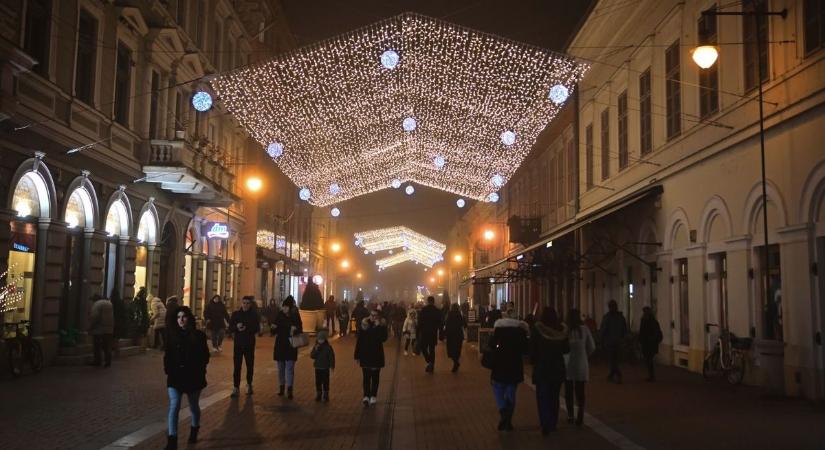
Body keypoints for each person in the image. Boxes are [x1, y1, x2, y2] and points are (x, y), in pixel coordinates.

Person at [163, 306, 210, 450]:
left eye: (183, 317)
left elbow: (205, 357)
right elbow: (168, 356)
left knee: (193, 406)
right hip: (175, 377)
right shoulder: (171, 336)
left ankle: (194, 428)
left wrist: (198, 369)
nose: (181, 320)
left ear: (189, 318)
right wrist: (168, 370)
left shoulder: (199, 336)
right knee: (174, 405)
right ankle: (172, 441)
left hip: (193, 377)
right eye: (178, 317)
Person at [529, 307, 569, 435]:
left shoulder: (537, 329)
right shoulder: (561, 330)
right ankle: (552, 423)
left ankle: (545, 422)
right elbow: (566, 349)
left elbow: (532, 349)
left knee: (542, 397)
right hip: (557, 367)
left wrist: (533, 360)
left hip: (542, 367)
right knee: (554, 397)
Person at [487, 312, 529, 431]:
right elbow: (525, 350)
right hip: (514, 367)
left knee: (498, 389)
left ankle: (503, 412)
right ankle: (508, 420)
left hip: (499, 366)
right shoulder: (520, 332)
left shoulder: (498, 331)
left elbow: (490, 345)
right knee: (511, 392)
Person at [564, 308, 595, 427]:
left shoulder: (566, 331)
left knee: (568, 391)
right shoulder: (585, 329)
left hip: (567, 364)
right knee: (580, 391)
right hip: (581, 363)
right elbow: (592, 347)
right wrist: (584, 355)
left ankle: (570, 415)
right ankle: (580, 416)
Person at [354, 307, 388, 406]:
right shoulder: (365, 325)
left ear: (378, 317)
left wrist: (378, 327)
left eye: (375, 316)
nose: (373, 317)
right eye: (371, 315)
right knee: (366, 377)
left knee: (375, 377)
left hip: (376, 354)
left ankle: (373, 395)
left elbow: (383, 338)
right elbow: (359, 341)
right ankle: (366, 396)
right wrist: (357, 355)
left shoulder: (381, 325)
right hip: (366, 354)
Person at [228, 295, 260, 397]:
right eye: (244, 303)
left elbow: (257, 328)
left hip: (249, 343)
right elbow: (230, 328)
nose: (245, 305)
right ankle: (236, 387)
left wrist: (247, 328)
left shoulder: (254, 315)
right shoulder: (236, 314)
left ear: (250, 304)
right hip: (238, 344)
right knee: (237, 366)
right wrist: (237, 327)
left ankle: (249, 384)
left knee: (250, 365)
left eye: (247, 303)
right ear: (241, 303)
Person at [272, 296, 302, 399]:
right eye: (283, 306)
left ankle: (289, 389)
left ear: (289, 307)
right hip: (280, 344)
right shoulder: (279, 315)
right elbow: (274, 329)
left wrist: (295, 330)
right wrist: (273, 328)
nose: (283, 308)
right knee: (280, 368)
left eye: (285, 307)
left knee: (289, 368)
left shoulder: (295, 316)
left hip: (290, 345)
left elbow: (300, 329)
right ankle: (281, 387)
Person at [601, 300, 628, 384]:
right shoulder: (620, 317)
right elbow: (624, 329)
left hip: (611, 342)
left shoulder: (607, 317)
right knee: (614, 359)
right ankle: (612, 374)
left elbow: (604, 329)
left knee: (613, 359)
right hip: (617, 341)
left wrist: (602, 338)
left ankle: (617, 374)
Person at [417, 296, 443, 373]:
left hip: (425, 332)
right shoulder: (437, 310)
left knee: (423, 347)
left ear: (428, 301)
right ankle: (432, 365)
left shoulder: (424, 310)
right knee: (432, 349)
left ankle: (429, 361)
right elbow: (440, 323)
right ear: (433, 301)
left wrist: (417, 333)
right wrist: (441, 333)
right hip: (433, 333)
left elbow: (419, 322)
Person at [638, 306, 663, 382]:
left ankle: (651, 376)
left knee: (649, 359)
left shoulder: (649, 321)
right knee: (648, 359)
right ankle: (651, 375)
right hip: (647, 343)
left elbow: (653, 333)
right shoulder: (649, 321)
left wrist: (649, 339)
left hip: (649, 343)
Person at [310, 328, 335, 402]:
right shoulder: (316, 347)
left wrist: (332, 365)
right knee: (318, 381)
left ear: (324, 340)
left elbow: (331, 357)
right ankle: (319, 394)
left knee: (325, 382)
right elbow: (312, 356)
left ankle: (326, 394)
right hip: (317, 367)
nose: (320, 341)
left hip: (325, 367)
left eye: (321, 339)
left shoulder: (328, 347)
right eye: (319, 339)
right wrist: (316, 350)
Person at [89, 294, 114, 368]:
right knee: (107, 346)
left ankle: (97, 361)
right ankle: (108, 362)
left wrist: (90, 327)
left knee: (97, 346)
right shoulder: (109, 303)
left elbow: (94, 317)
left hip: (99, 329)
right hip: (109, 329)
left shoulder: (97, 304)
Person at [444, 304, 466, 372]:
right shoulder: (460, 314)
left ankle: (455, 362)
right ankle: (456, 362)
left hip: (451, 335)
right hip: (459, 335)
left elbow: (446, 324)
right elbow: (464, 324)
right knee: (457, 350)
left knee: (451, 350)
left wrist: (445, 334)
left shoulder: (449, 314)